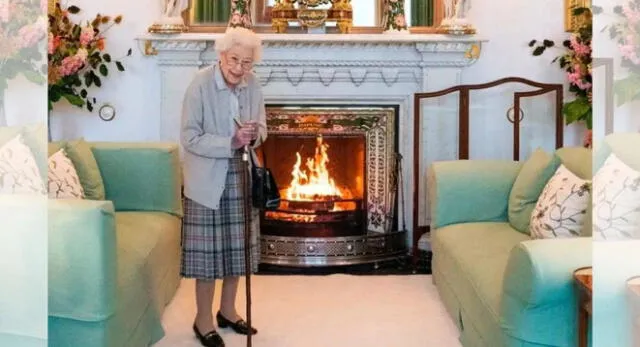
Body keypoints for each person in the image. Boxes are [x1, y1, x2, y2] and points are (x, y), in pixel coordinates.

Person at [180, 27, 266, 347]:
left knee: (236, 250)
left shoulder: (252, 85)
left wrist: (254, 134)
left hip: (241, 174)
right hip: (206, 179)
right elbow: (189, 138)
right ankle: (203, 320)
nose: (239, 69)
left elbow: (263, 129)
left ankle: (228, 311)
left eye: (246, 62)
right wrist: (230, 140)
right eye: (234, 60)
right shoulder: (200, 84)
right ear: (221, 55)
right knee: (208, 257)